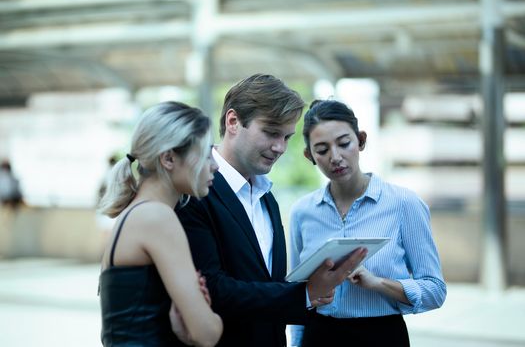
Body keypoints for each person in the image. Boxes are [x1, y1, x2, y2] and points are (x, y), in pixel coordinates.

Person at [176, 74, 367, 347]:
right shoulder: (193, 190)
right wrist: (304, 293)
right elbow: (210, 289)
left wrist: (311, 292)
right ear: (233, 122)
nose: (280, 147)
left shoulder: (268, 198)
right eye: (270, 132)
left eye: (287, 137)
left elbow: (266, 287)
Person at [289, 99, 447, 346]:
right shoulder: (302, 212)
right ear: (309, 155)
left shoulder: (404, 203)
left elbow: (435, 291)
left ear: (361, 140)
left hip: (381, 335)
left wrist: (378, 283)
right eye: (322, 150)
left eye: (344, 144)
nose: (336, 157)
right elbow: (298, 295)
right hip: (318, 336)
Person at [98, 101, 223, 347]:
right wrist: (204, 313)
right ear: (168, 158)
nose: (215, 166)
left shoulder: (135, 214)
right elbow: (207, 334)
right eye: (206, 154)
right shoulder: (157, 217)